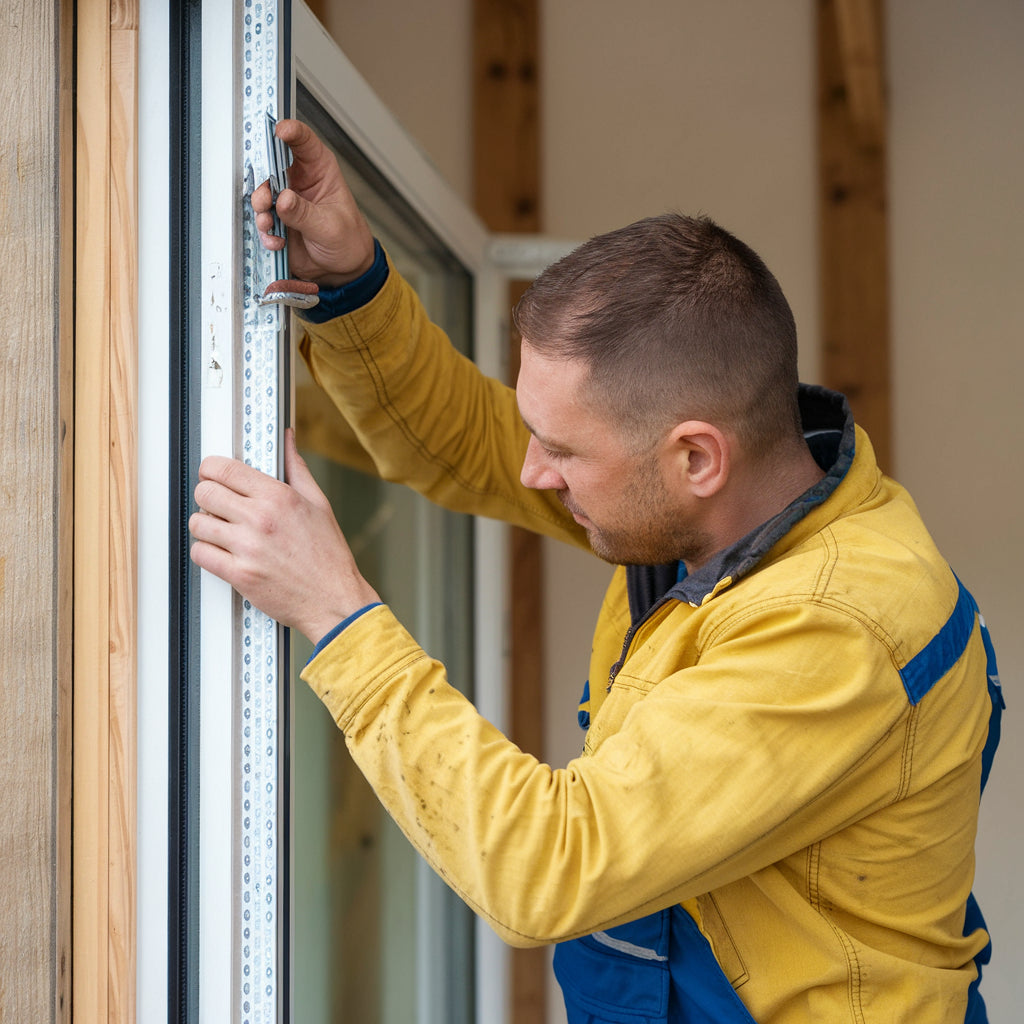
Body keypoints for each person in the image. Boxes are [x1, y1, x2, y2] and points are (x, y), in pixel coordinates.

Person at [189, 119, 1003, 1023]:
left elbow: (549, 867)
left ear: (696, 458)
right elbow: (464, 441)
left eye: (564, 451)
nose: (533, 470)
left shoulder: (835, 626)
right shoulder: (718, 509)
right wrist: (348, 281)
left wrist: (338, 613)